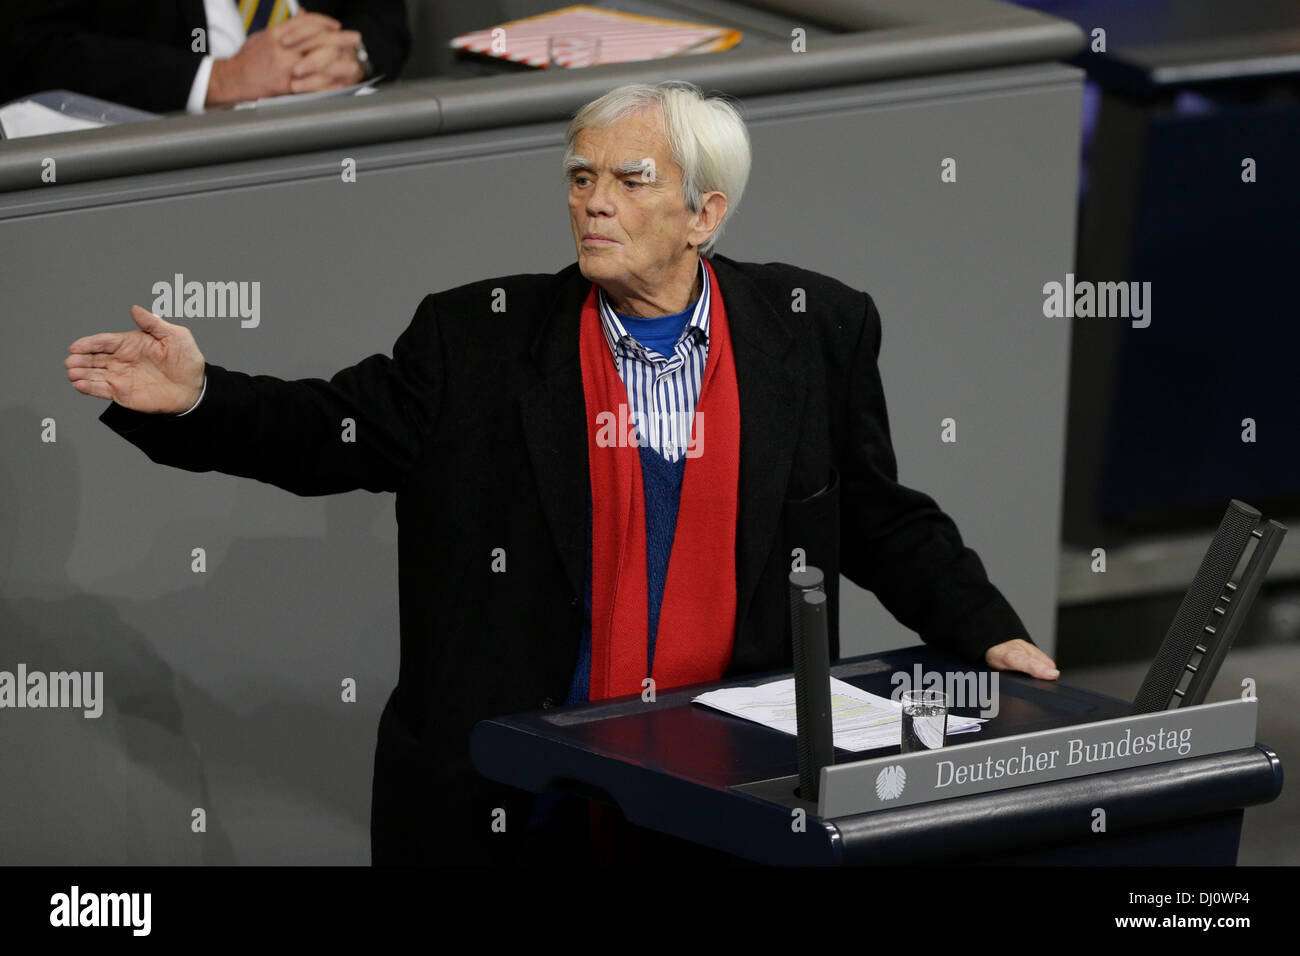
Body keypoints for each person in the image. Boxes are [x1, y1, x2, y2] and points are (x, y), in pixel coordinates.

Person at [65, 80, 1059, 865]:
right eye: (581, 178)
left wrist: (989, 631)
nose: (594, 202)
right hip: (513, 797)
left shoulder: (816, 330)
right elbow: (328, 432)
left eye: (629, 181)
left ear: (703, 213)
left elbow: (877, 516)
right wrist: (199, 397)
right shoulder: (477, 341)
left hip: (730, 792)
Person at [0, 1, 409, 113]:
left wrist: (355, 54)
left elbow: (385, 17)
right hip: (168, 166)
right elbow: (30, 46)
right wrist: (218, 80)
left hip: (344, 133)